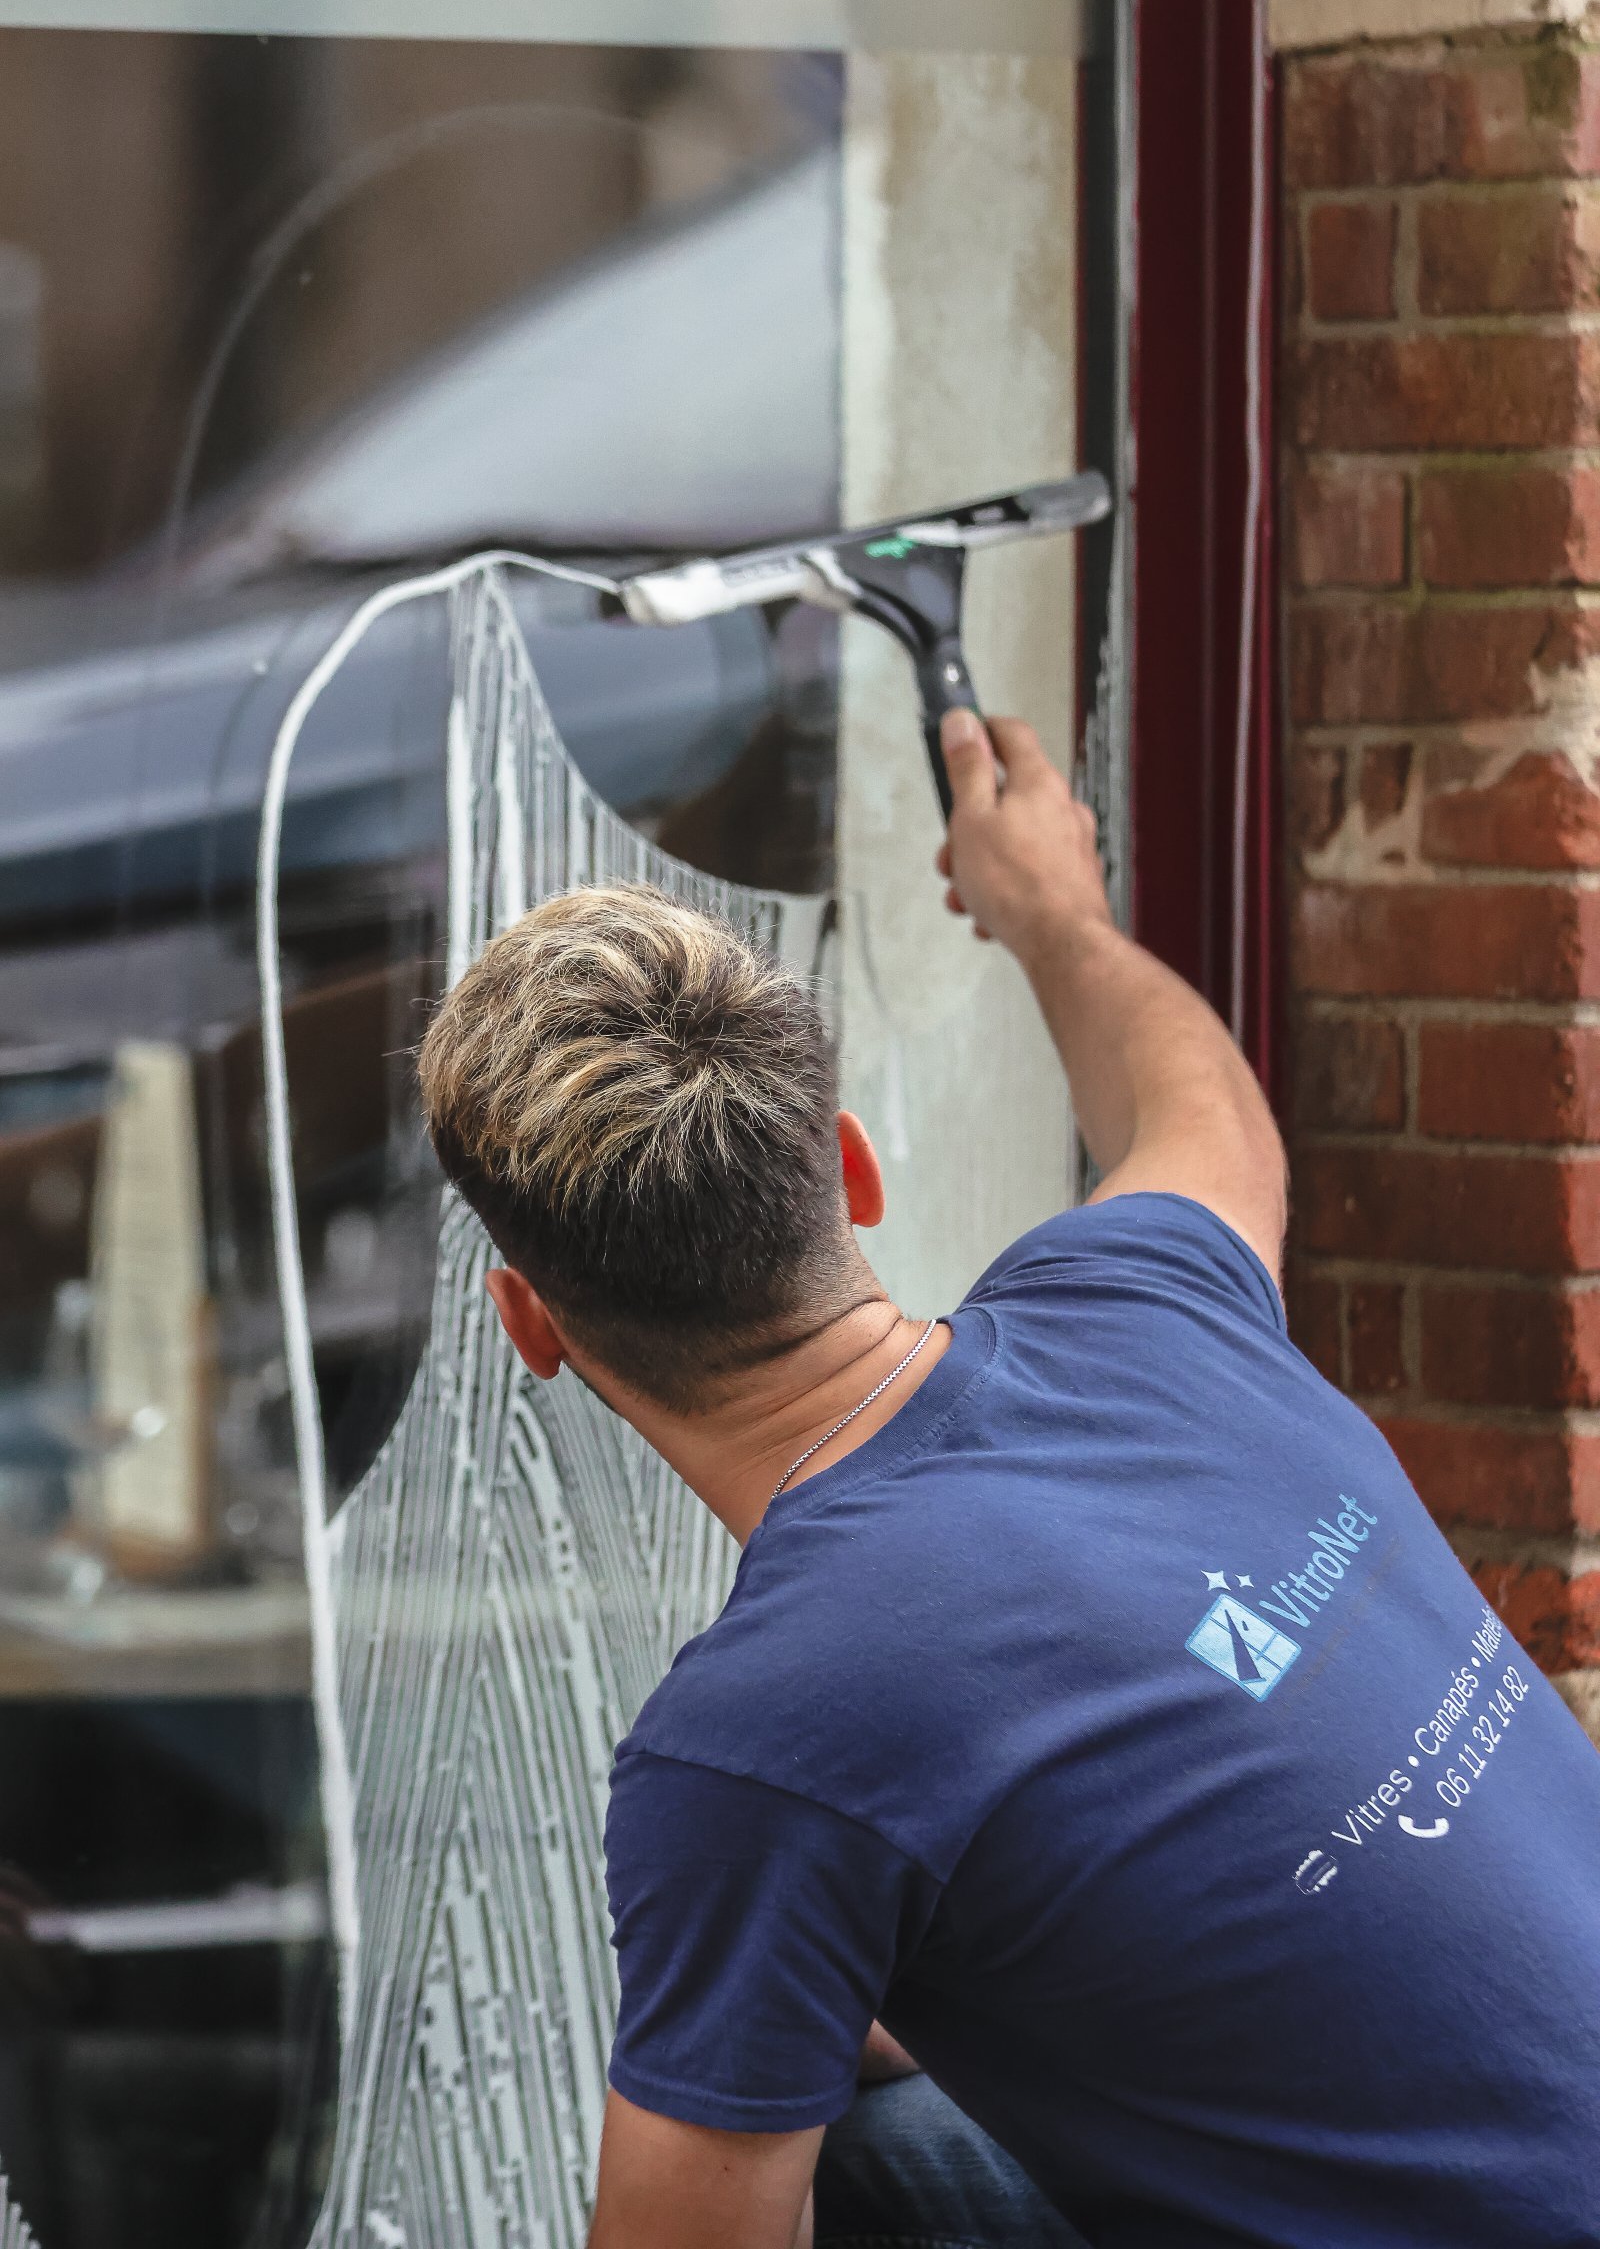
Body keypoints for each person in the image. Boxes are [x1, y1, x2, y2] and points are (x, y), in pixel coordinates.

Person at [417, 709, 1600, 2249]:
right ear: (850, 1168)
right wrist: (1056, 913)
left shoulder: (758, 1748)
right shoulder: (1146, 1297)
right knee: (868, 2084)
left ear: (528, 1324)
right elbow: (1206, 1117)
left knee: (833, 2130)